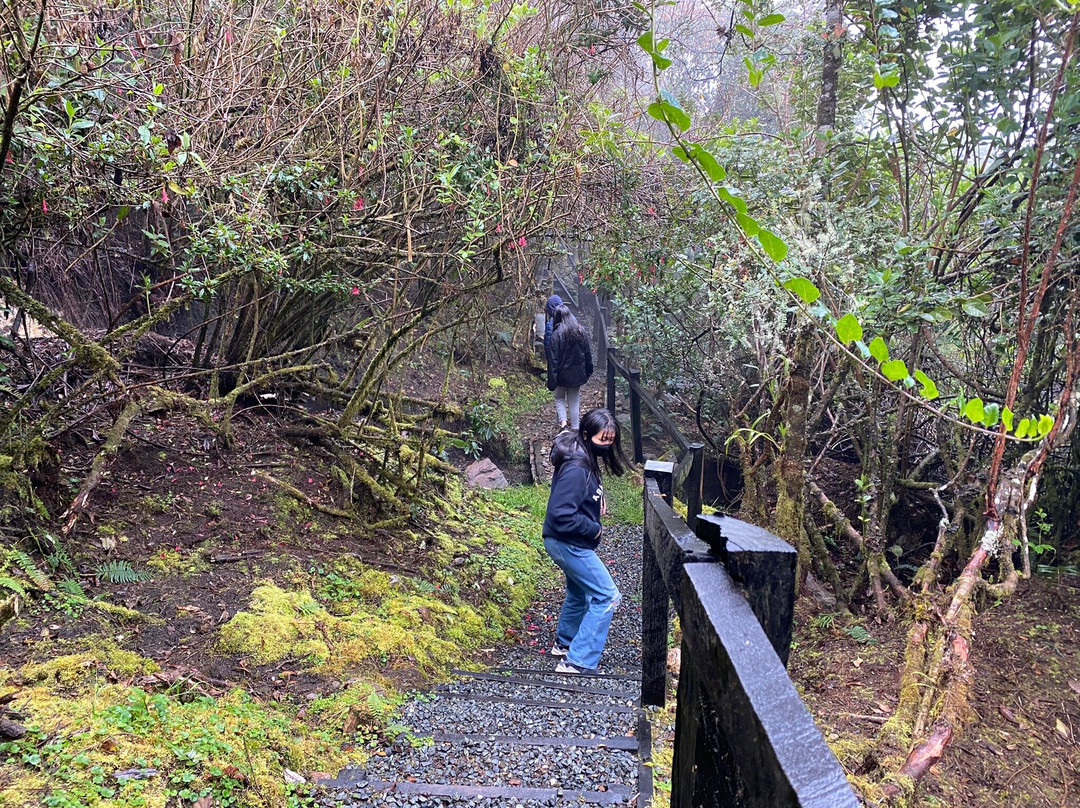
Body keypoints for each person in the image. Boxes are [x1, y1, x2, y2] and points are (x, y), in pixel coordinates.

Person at [543, 408, 627, 673]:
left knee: (579, 592)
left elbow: (581, 490)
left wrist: (596, 496)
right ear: (588, 434)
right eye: (603, 440)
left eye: (611, 440)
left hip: (566, 540)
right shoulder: (577, 467)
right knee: (607, 596)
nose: (608, 445)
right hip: (566, 542)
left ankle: (565, 643)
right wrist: (593, 529)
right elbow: (560, 514)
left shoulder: (583, 452)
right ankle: (578, 661)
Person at [546, 304, 593, 432]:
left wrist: (552, 380)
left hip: (561, 376)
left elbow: (553, 360)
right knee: (574, 400)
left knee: (559, 398)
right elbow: (587, 353)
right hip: (577, 375)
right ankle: (576, 428)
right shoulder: (580, 331)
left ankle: (563, 425)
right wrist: (589, 370)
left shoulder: (556, 335)